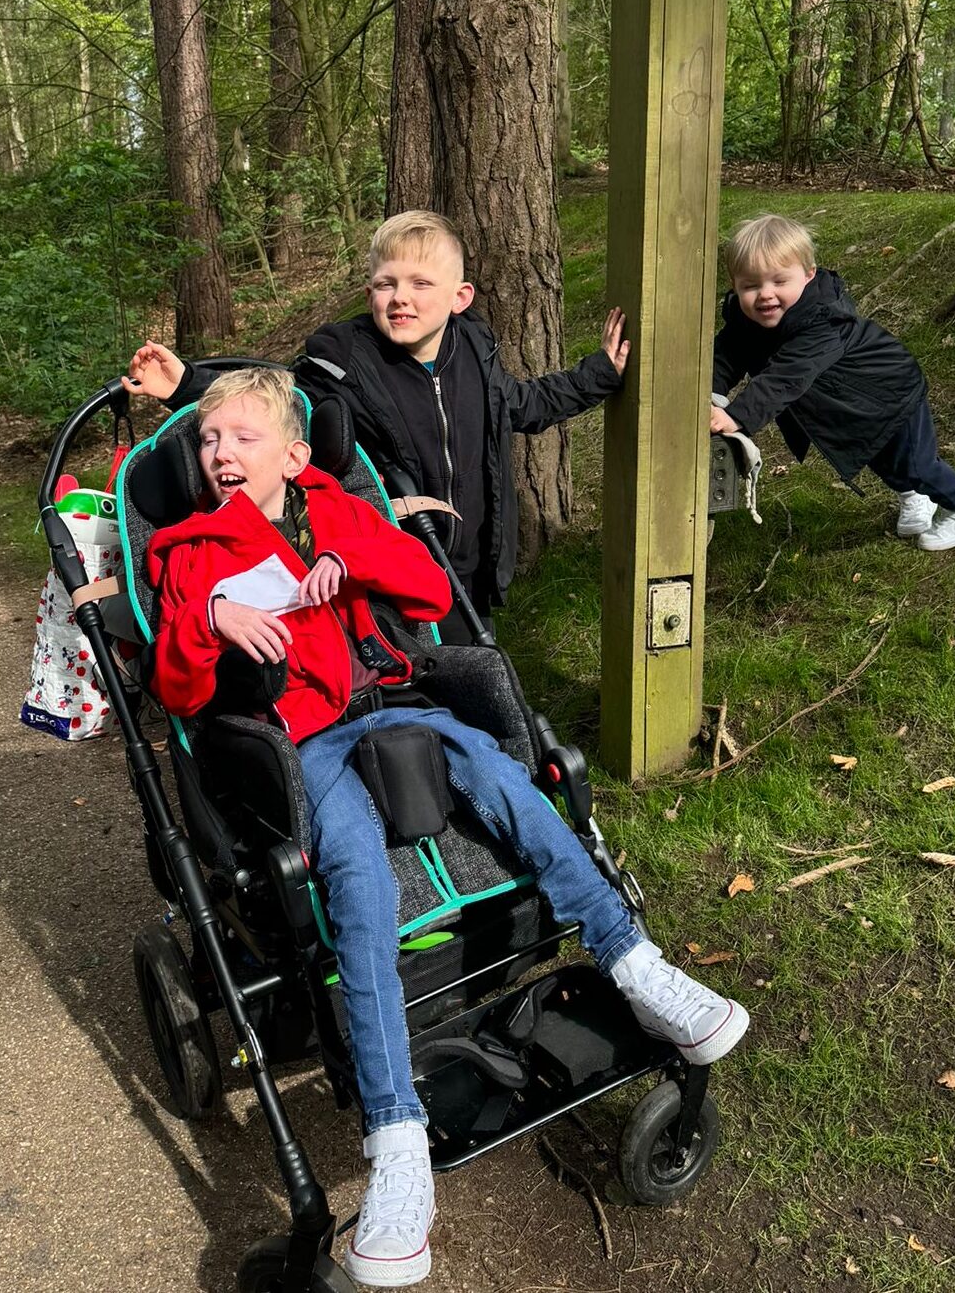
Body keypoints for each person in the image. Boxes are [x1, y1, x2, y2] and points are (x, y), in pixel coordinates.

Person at [147, 367, 749, 1289]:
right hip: (297, 744)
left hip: (396, 705)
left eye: (242, 437)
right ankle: (398, 1147)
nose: (221, 453)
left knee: (514, 787)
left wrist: (359, 560)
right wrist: (215, 615)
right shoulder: (189, 547)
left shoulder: (336, 507)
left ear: (297, 455)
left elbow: (427, 594)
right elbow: (179, 687)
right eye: (207, 441)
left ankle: (638, 965)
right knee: (355, 875)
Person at [125, 210, 631, 641]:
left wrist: (599, 375)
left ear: (460, 297)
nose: (400, 298)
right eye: (386, 284)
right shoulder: (344, 358)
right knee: (423, 676)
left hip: (473, 557)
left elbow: (521, 404)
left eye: (420, 284)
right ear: (370, 291)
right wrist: (187, 384)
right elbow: (279, 400)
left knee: (478, 668)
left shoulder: (475, 349)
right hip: (388, 559)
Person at [709, 214, 955, 551]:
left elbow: (786, 376)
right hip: (851, 403)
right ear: (735, 284)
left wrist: (737, 416)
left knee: (916, 462)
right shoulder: (749, 321)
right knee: (876, 455)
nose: (765, 295)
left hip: (890, 389)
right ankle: (914, 495)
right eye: (751, 286)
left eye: (779, 281)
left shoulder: (823, 320)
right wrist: (711, 392)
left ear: (808, 274)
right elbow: (726, 354)